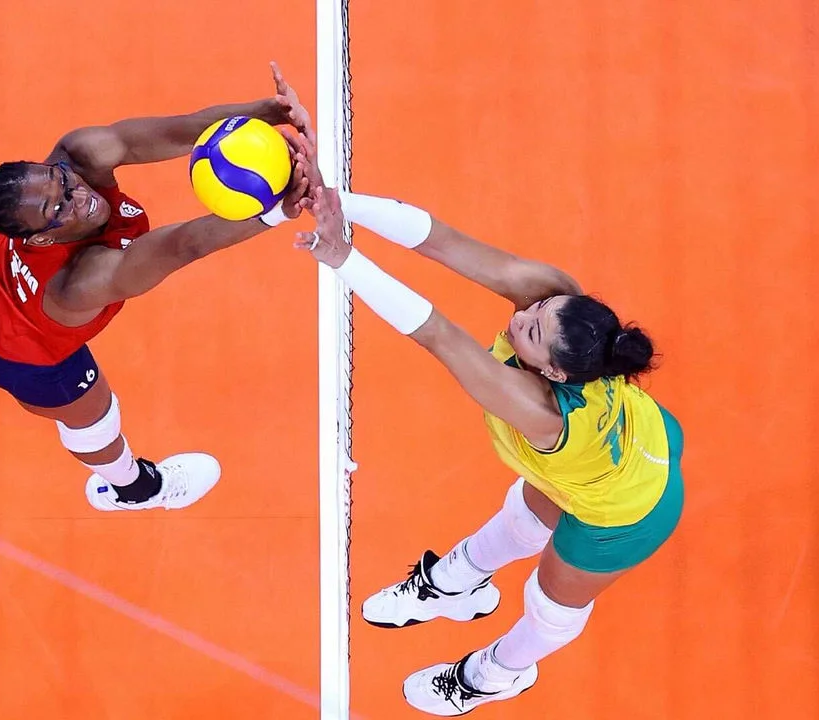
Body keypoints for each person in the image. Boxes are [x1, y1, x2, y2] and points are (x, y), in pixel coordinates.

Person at [293, 182, 684, 715]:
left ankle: (497, 673)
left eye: (533, 330)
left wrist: (344, 258)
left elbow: (437, 333)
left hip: (629, 511)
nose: (523, 316)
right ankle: (456, 586)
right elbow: (444, 242)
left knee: (548, 600)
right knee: (530, 507)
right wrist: (335, 201)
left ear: (552, 371)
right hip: (635, 441)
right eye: (540, 308)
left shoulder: (539, 412)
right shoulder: (564, 307)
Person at [0, 62, 316, 513]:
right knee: (96, 415)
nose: (80, 196)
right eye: (59, 209)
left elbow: (180, 131)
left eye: (61, 181)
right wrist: (275, 212)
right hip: (21, 354)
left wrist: (268, 113)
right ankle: (135, 489)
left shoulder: (77, 156)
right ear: (42, 238)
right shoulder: (81, 283)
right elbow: (182, 245)